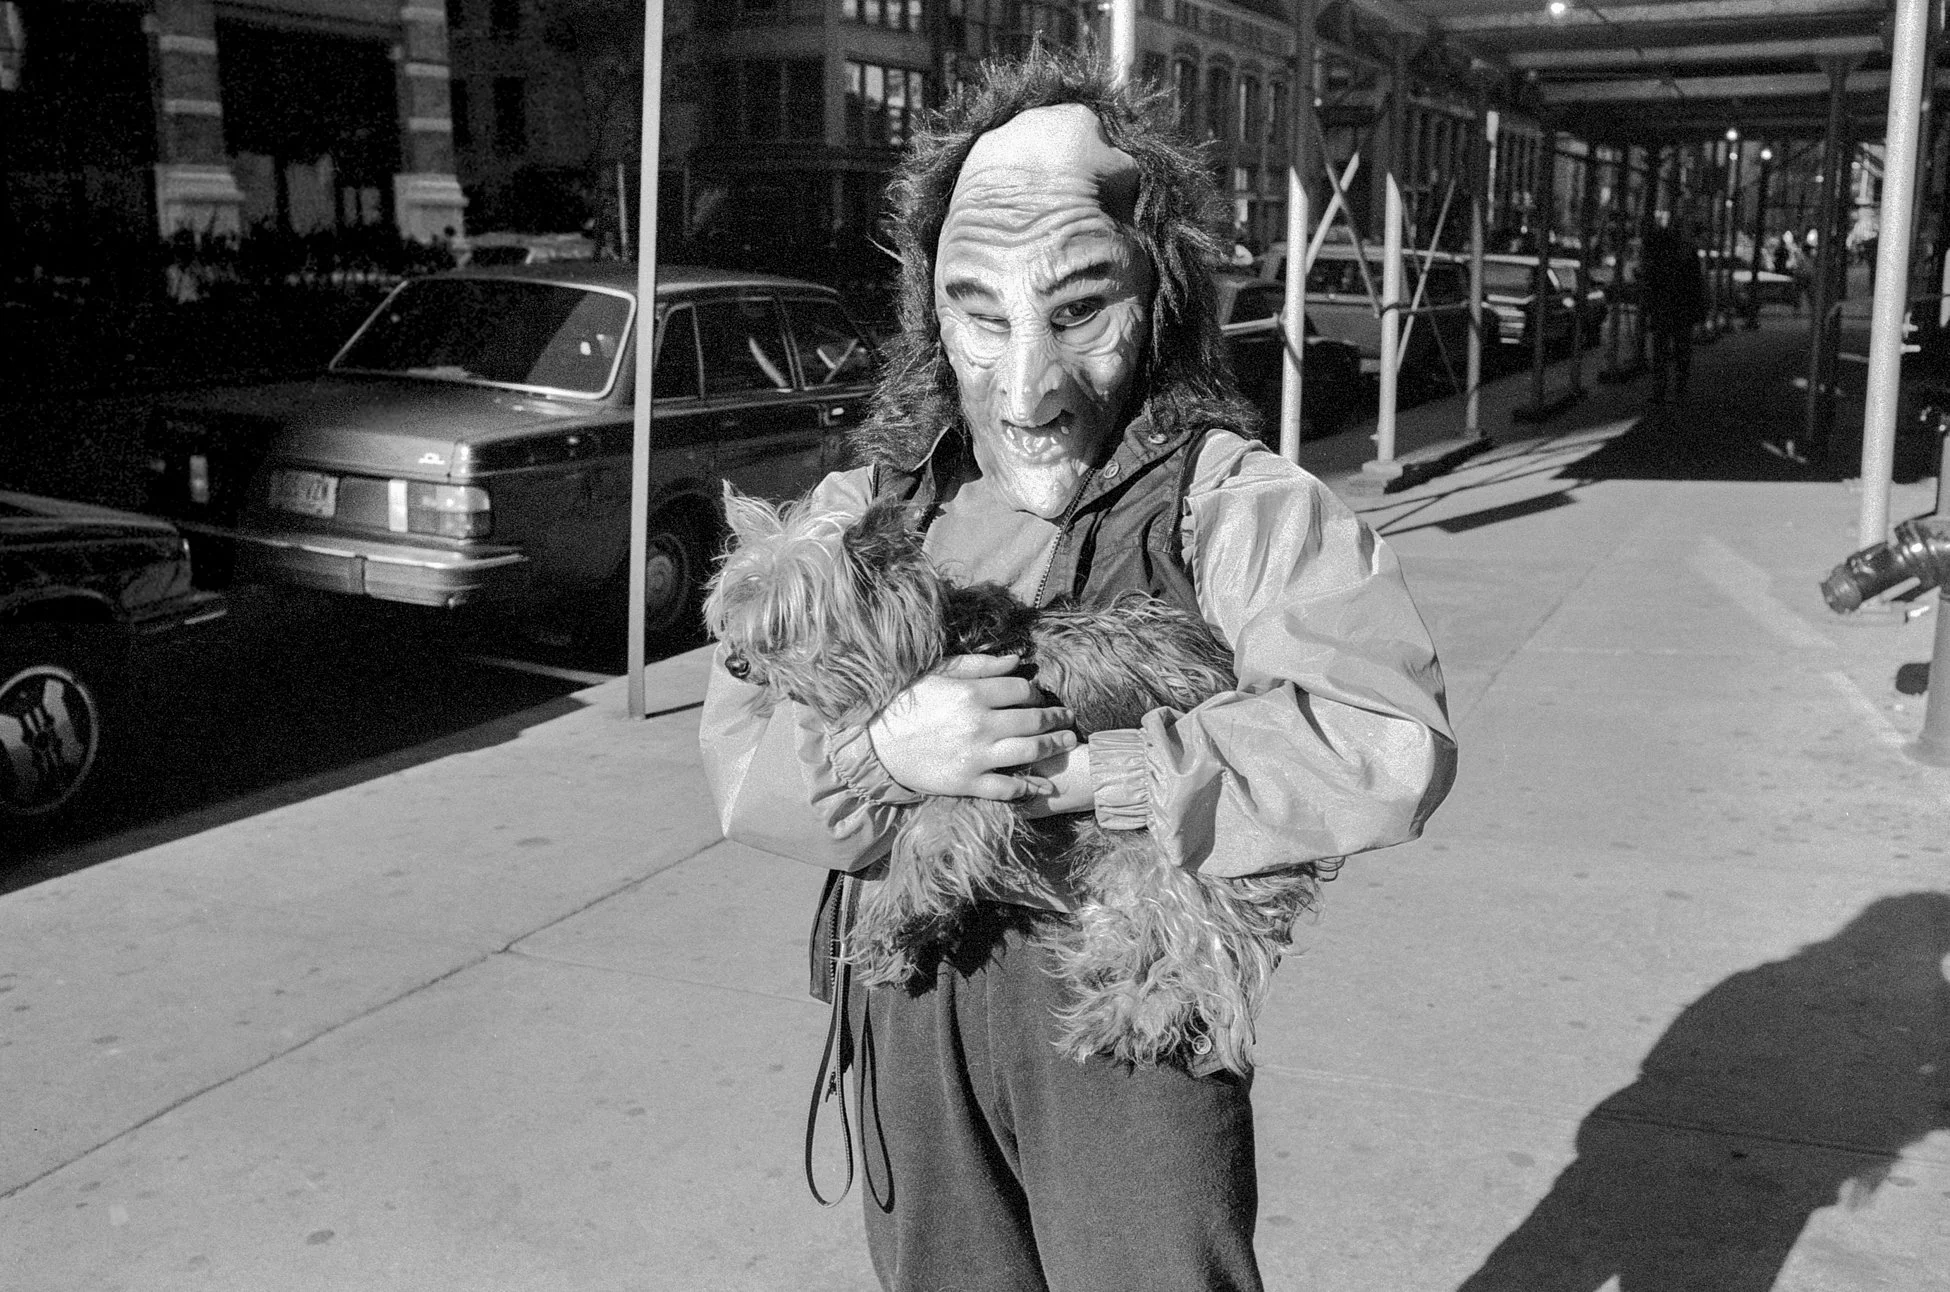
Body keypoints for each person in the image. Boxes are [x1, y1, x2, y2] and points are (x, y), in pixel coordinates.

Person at [699, 49, 1456, 1292]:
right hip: (911, 1006)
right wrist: (886, 753)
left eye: (1081, 310)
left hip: (1128, 1018)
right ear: (926, 312)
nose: (1030, 387)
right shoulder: (861, 506)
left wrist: (1107, 768)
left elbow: (1386, 736)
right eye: (981, 314)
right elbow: (738, 750)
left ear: (1160, 298)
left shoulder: (1237, 504)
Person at [1640, 216, 1708, 404]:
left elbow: (1652, 280)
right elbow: (1696, 283)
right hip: (1682, 308)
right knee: (1681, 350)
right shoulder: (1687, 252)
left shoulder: (1661, 254)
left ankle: (1661, 389)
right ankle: (1680, 388)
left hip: (1665, 308)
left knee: (1662, 350)